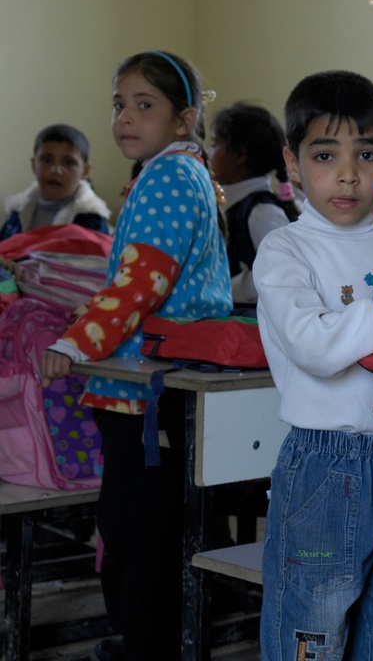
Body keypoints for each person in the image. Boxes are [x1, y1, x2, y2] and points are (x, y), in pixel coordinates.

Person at [39, 51, 232, 661]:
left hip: (145, 393)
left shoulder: (169, 179)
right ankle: (164, 639)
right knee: (162, 529)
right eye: (119, 104)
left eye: (144, 104)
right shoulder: (182, 170)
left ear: (184, 119)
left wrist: (75, 342)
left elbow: (140, 283)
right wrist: (91, 320)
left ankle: (144, 645)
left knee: (135, 532)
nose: (125, 116)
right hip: (164, 383)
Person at [253, 69, 373, 661]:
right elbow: (315, 349)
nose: (346, 173)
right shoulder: (285, 249)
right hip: (325, 467)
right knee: (312, 622)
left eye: (365, 153)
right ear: (292, 163)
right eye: (324, 154)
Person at [208, 101, 298, 307]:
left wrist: (221, 289)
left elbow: (280, 274)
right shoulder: (232, 205)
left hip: (250, 324)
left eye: (214, 144)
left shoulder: (261, 212)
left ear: (239, 155)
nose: (208, 153)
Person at [1, 124, 112, 240]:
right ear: (33, 165)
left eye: (68, 163)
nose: (56, 170)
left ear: (85, 171)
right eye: (47, 160)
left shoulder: (92, 222)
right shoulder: (16, 212)